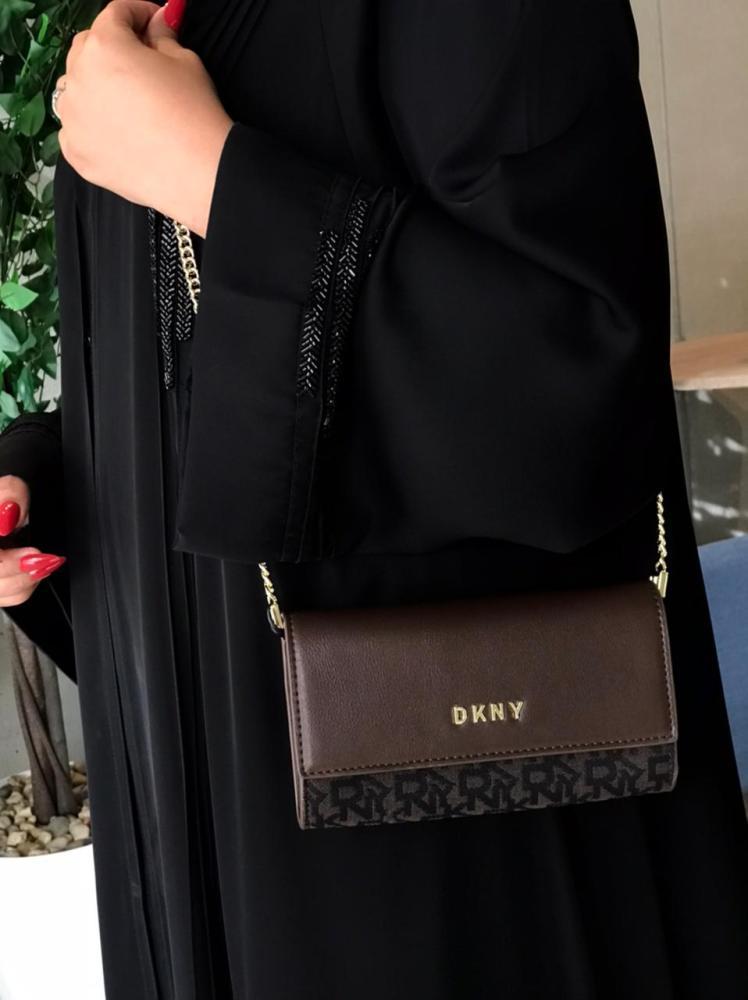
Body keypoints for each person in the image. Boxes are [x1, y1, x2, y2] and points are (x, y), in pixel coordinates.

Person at [1, 1, 747, 997]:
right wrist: (49, 486)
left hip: (461, 845)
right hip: (214, 825)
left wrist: (217, 179)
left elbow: (573, 385)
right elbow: (203, 373)